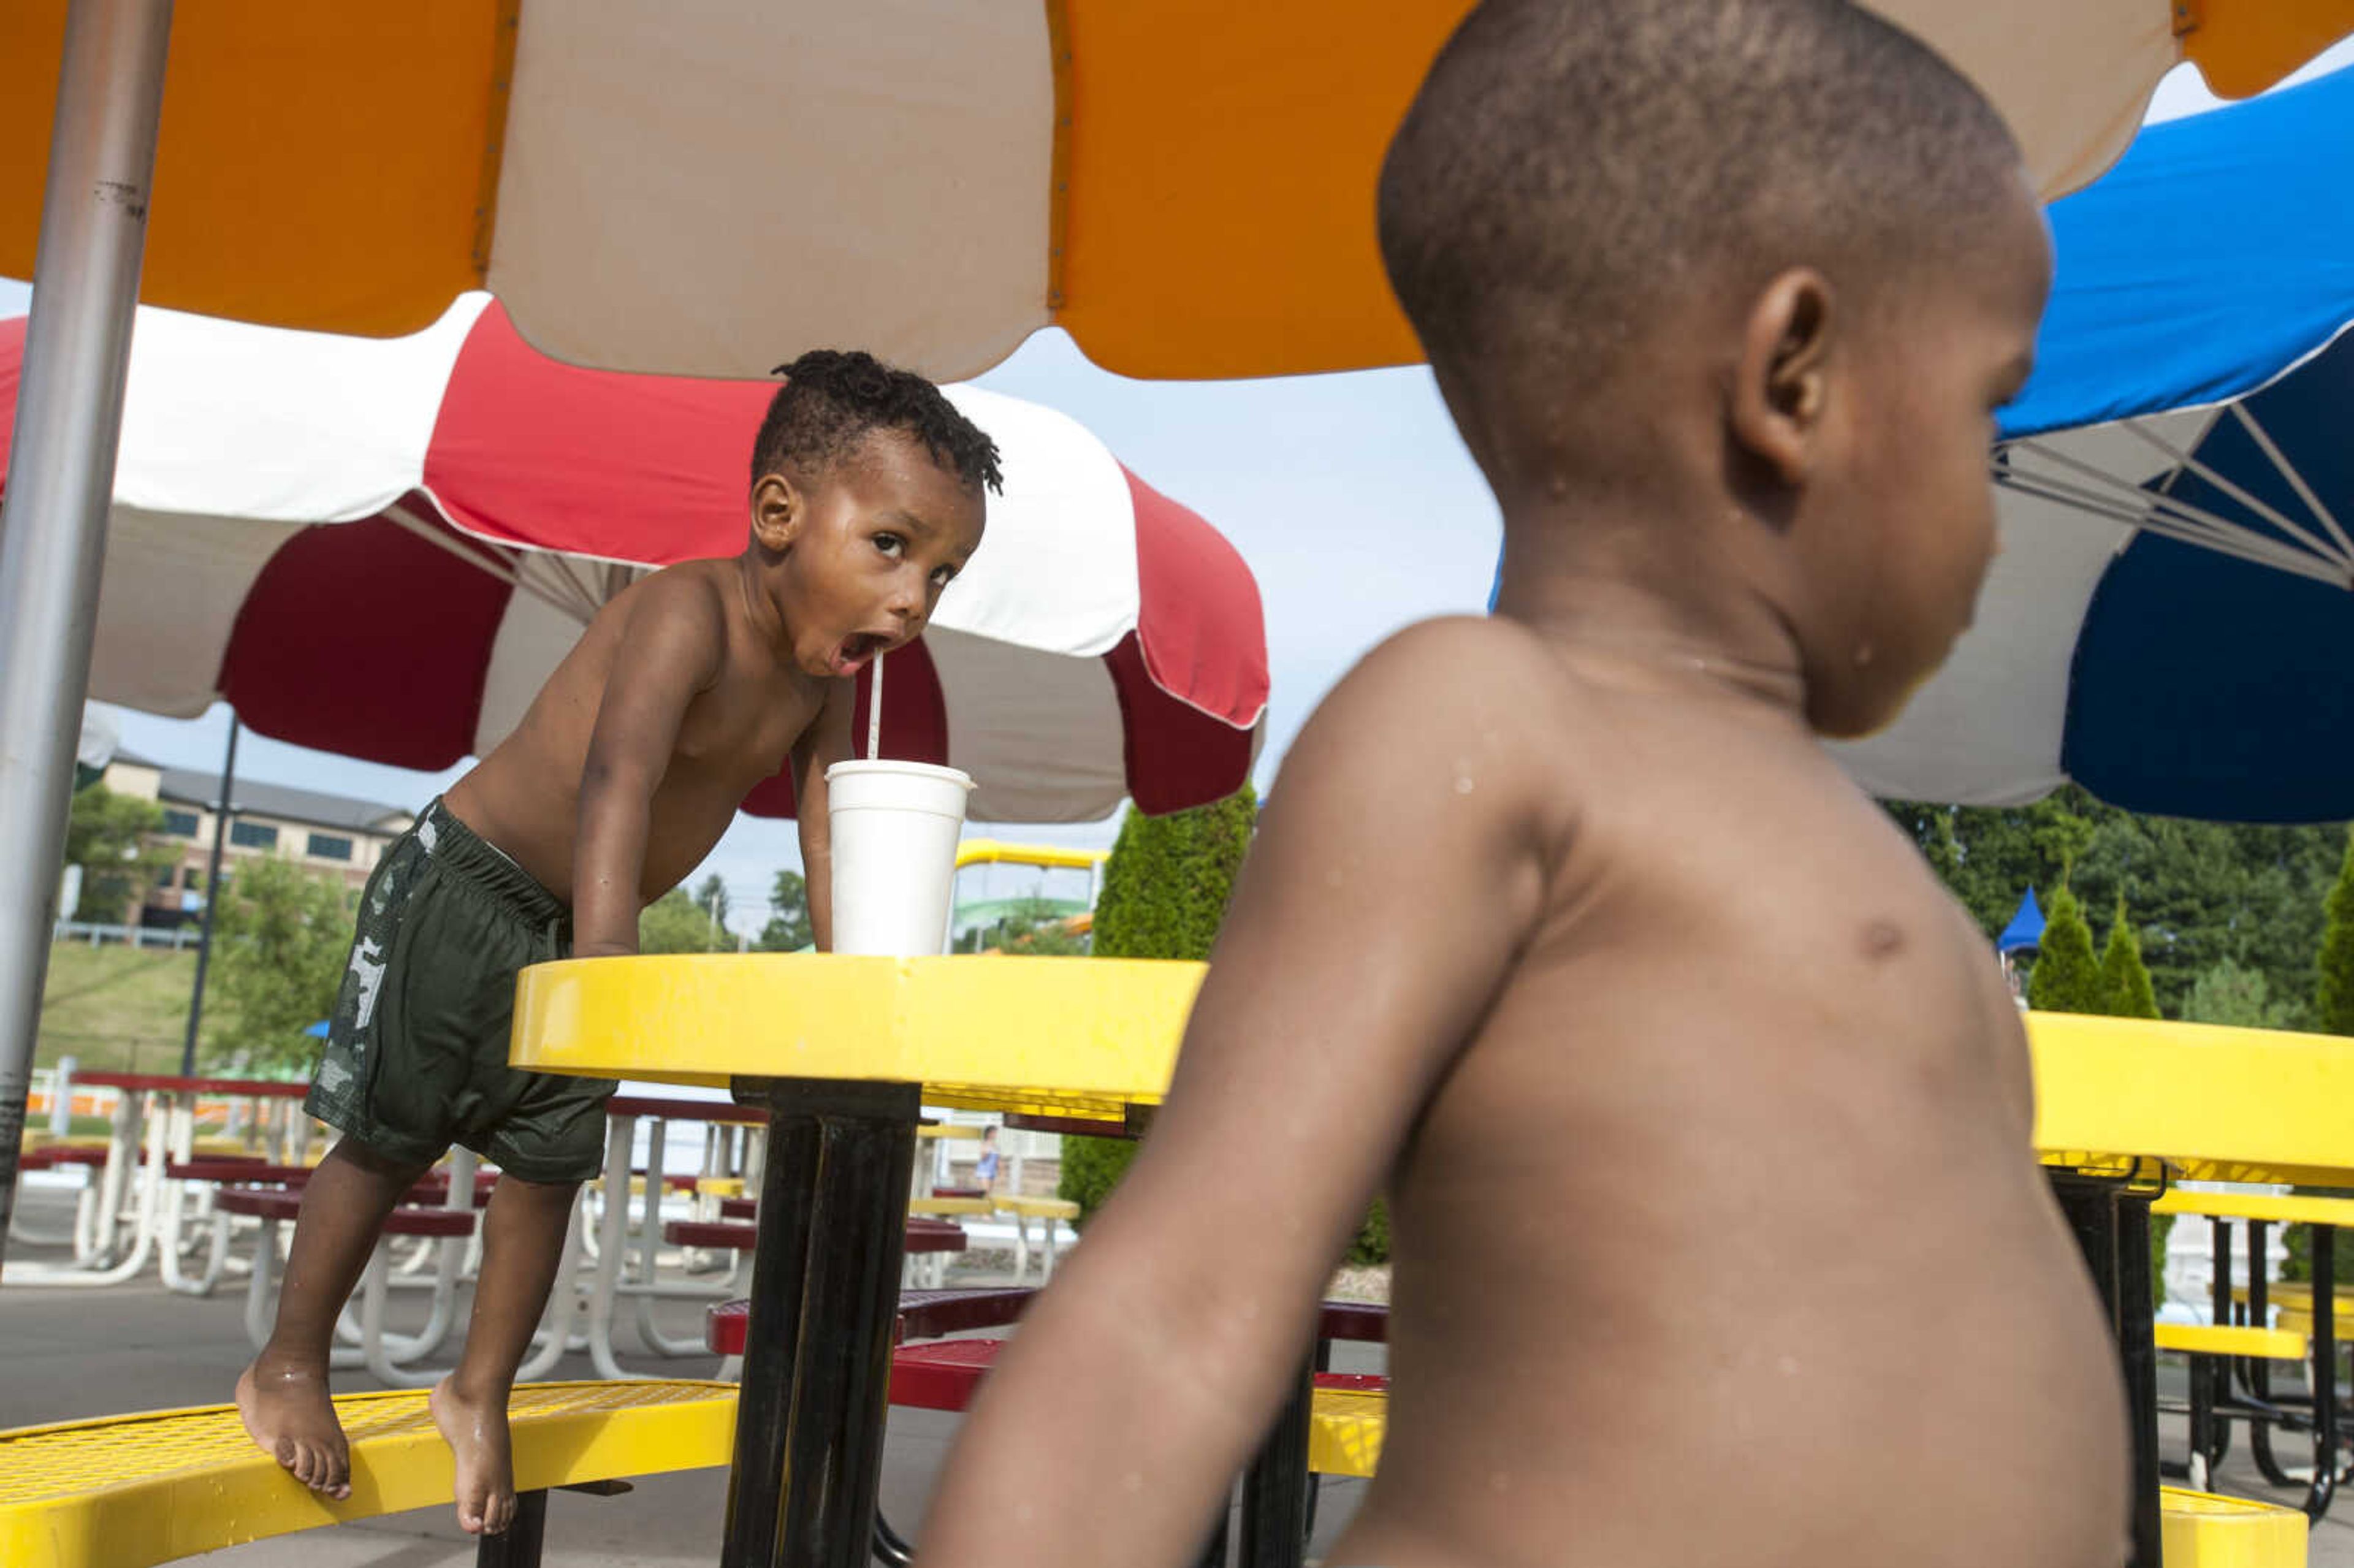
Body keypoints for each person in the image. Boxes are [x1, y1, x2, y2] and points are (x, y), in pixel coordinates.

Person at [915, 3, 2129, 1566]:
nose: (1994, 504)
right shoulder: (1490, 722)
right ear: (1794, 377)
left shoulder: (1836, 834)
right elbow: (1173, 1311)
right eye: (1988, 417)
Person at [236, 350, 1000, 1536]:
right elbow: (618, 777)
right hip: (472, 888)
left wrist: (859, 979)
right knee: (392, 1135)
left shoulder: (822, 682)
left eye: (944, 573)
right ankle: (288, 1360)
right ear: (780, 514)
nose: (914, 600)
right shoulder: (681, 612)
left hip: (573, 926)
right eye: (892, 547)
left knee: (546, 1171)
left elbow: (825, 827)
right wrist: (607, 962)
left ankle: (476, 1388)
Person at [974, 1125, 1003, 1192]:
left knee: (989, 1192)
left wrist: (1001, 1172)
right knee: (985, 1191)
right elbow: (983, 1157)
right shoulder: (984, 1144)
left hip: (992, 1171)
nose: (995, 1135)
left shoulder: (996, 1145)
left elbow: (998, 1160)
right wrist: (988, 1149)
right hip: (984, 1171)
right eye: (994, 1133)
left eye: (996, 1133)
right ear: (989, 1134)